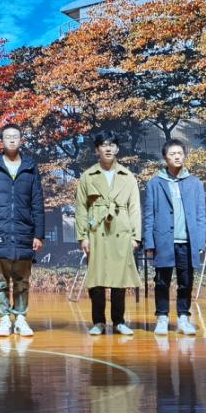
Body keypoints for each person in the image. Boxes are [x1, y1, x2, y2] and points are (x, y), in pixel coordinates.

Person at [0, 124, 45, 338]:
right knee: (0, 281)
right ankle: (4, 319)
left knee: (22, 280)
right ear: (1, 140)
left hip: (24, 231)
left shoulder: (30, 167)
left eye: (15, 136)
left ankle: (21, 318)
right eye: (7, 136)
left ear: (21, 139)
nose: (11, 140)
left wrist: (39, 234)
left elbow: (37, 202)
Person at [75, 133, 142, 336]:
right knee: (97, 278)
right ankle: (98, 322)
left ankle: (119, 321)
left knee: (119, 279)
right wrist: (83, 236)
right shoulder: (88, 176)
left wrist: (135, 236)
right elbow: (81, 208)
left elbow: (135, 208)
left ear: (117, 149)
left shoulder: (127, 176)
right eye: (103, 145)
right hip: (96, 231)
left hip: (121, 230)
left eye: (112, 144)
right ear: (97, 149)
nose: (108, 148)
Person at [144, 140, 206, 336]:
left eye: (180, 153)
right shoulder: (155, 183)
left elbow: (200, 214)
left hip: (187, 241)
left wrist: (199, 240)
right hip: (163, 241)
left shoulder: (195, 183)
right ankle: (162, 318)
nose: (177, 156)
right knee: (162, 282)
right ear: (165, 157)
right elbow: (149, 215)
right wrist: (149, 242)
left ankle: (183, 318)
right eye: (173, 153)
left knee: (186, 281)